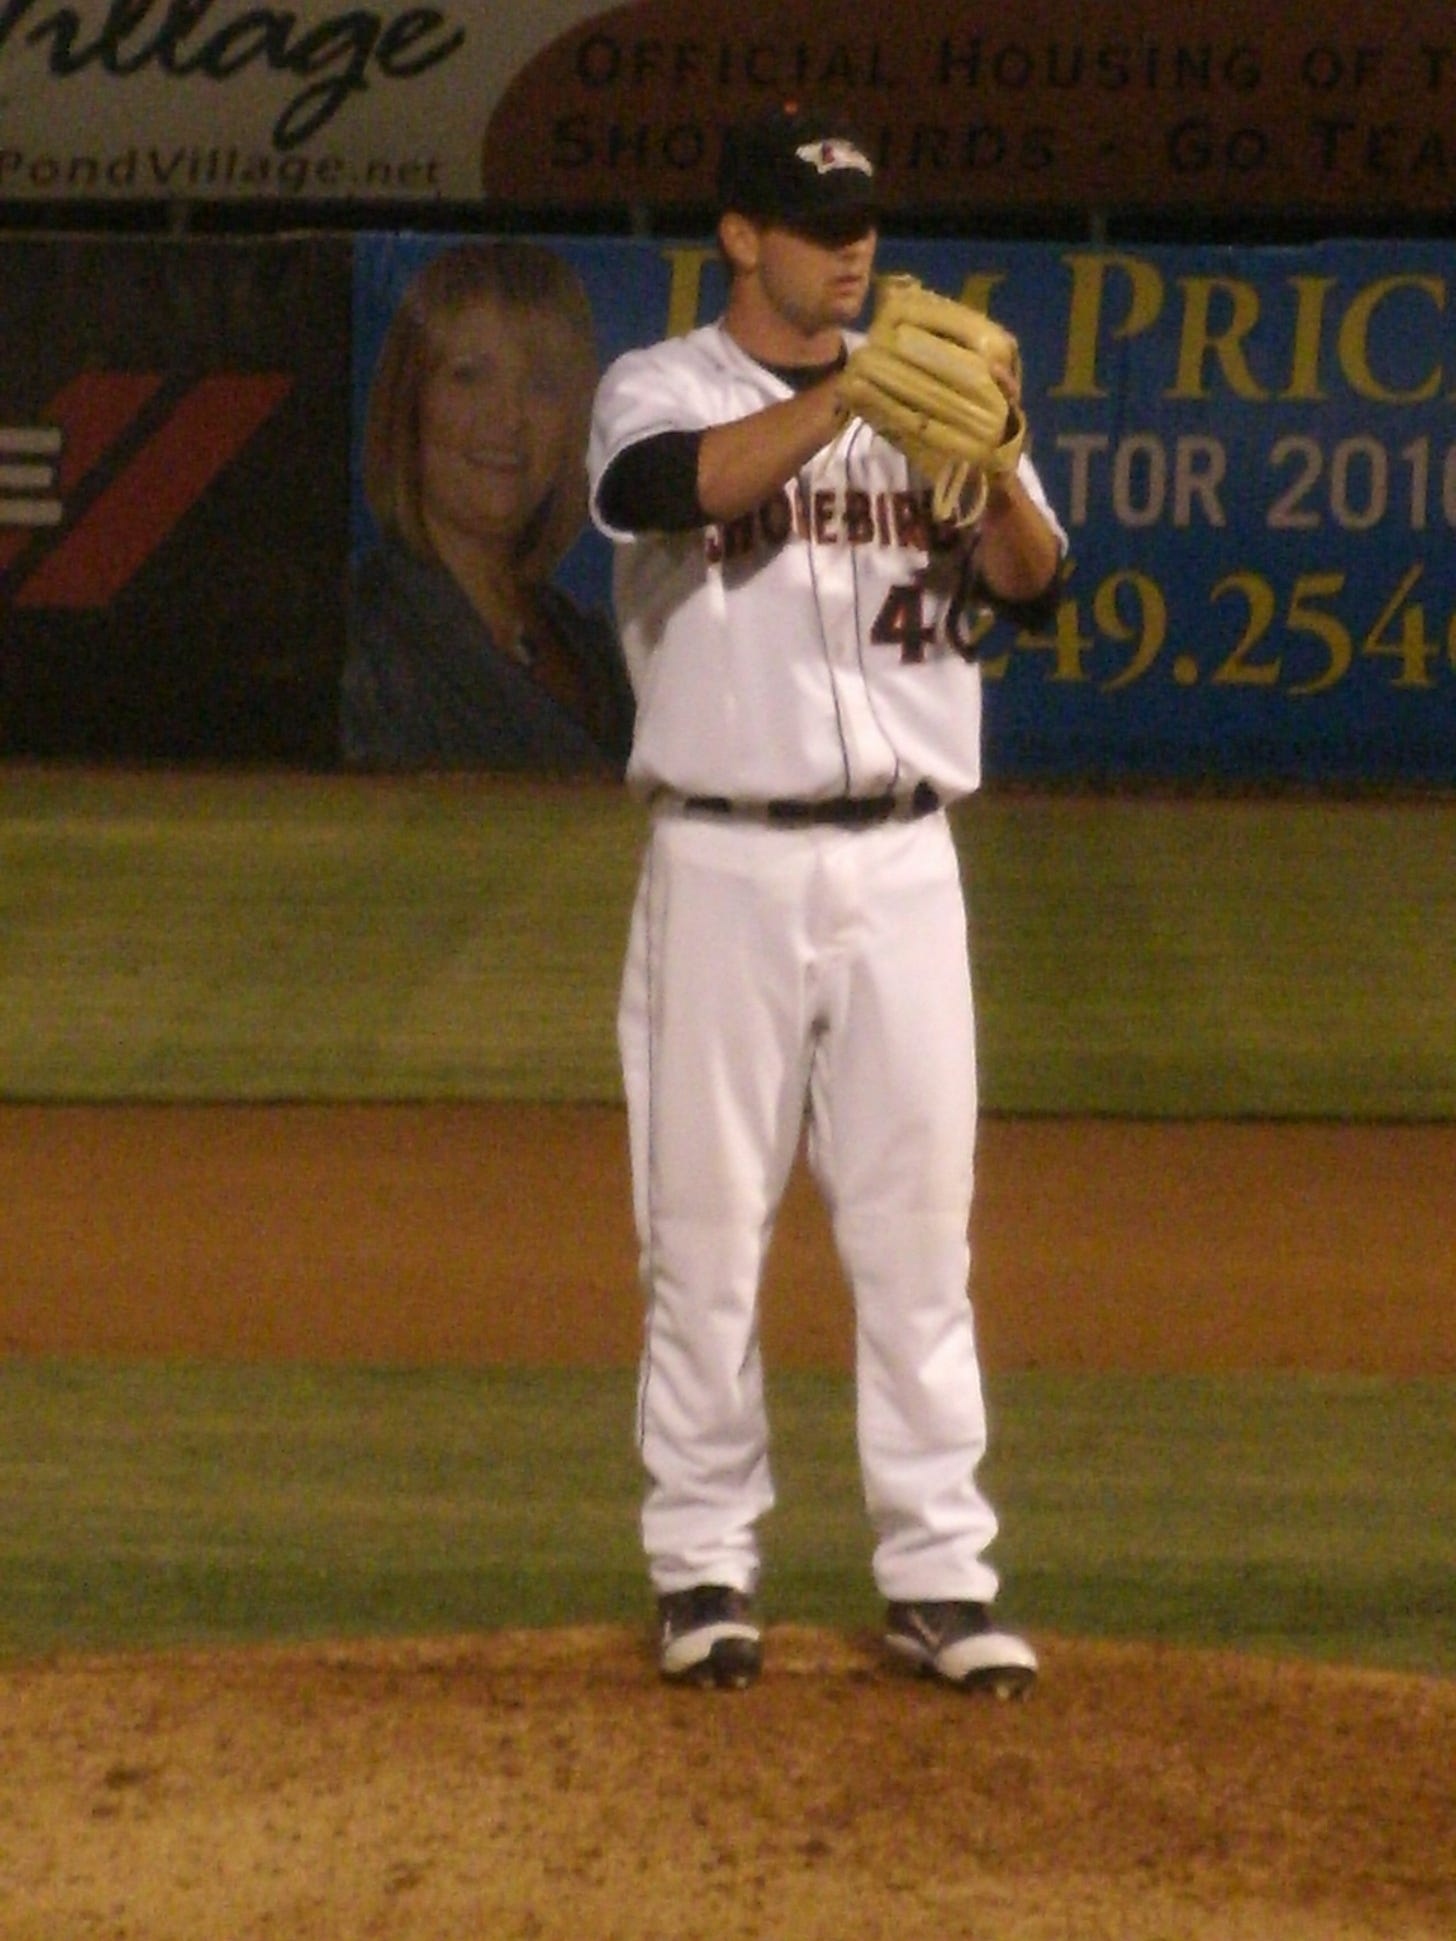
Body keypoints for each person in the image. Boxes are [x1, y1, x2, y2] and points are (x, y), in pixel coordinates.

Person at [587, 104, 1067, 1692]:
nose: (851, 244)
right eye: (814, 221)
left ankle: (940, 1574)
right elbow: (670, 491)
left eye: (861, 216)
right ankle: (703, 1565)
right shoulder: (659, 386)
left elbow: (1034, 580)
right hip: (722, 860)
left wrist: (984, 452)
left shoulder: (934, 381)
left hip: (906, 866)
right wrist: (849, 395)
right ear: (739, 237)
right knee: (705, 1236)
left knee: (918, 1238)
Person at [343, 240, 633, 774]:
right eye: (470, 375)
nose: (508, 418)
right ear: (410, 401)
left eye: (543, 385)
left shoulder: (592, 649)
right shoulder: (361, 640)